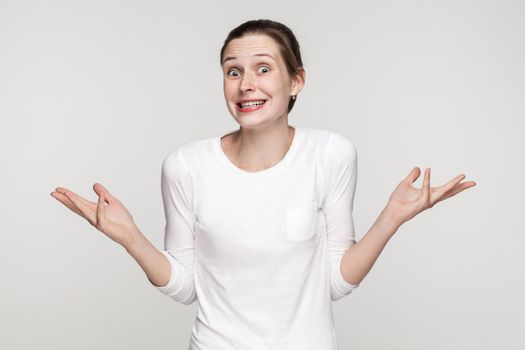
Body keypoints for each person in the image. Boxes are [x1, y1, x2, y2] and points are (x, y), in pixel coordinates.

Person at [51, 19, 476, 350]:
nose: (245, 84)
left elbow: (335, 281)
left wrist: (392, 218)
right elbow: (186, 287)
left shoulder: (330, 155)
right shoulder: (185, 166)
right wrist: (130, 238)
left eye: (263, 69)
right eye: (232, 71)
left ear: (296, 81)